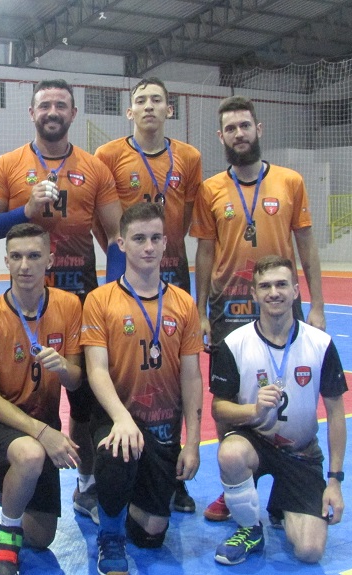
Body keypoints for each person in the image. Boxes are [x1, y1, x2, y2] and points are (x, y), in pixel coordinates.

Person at [0, 79, 122, 525]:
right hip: (25, 301)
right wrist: (25, 211)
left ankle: (86, 484)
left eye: (61, 105)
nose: (52, 111)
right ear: (31, 112)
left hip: (81, 298)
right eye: (44, 105)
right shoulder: (9, 164)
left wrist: (115, 294)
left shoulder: (94, 168)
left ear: (73, 113)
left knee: (86, 399)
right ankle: (5, 473)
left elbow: (116, 236)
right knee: (24, 388)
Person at [191, 95, 326, 521]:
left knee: (291, 390)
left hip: (281, 304)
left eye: (245, 126)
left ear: (258, 129)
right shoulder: (210, 189)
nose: (239, 134)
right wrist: (199, 312)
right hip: (227, 309)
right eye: (231, 128)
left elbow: (306, 246)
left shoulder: (290, 181)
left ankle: (289, 477)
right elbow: (205, 253)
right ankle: (235, 486)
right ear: (221, 136)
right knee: (229, 399)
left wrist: (317, 306)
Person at [94, 77, 203, 514]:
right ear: (130, 111)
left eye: (157, 100)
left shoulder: (189, 157)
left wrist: (160, 246)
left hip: (172, 268)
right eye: (141, 100)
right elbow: (104, 222)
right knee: (125, 364)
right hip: (127, 269)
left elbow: (186, 216)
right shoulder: (108, 155)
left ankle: (173, 474)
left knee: (173, 372)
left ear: (169, 109)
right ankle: (115, 460)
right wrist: (124, 253)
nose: (149, 106)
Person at [0, 223, 83, 575]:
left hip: (41, 417)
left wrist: (64, 367)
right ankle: (6, 537)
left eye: (34, 256)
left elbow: (76, 380)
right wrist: (42, 433)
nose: (25, 265)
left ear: (50, 260)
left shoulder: (69, 306)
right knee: (30, 454)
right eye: (17, 256)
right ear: (6, 261)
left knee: (40, 537)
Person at [81, 203, 203, 574]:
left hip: (162, 428)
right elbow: (96, 370)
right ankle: (110, 535)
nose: (148, 247)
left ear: (166, 242)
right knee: (117, 451)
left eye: (154, 238)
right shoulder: (101, 300)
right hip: (118, 417)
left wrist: (193, 442)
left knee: (152, 533)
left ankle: (116, 498)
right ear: (121, 244)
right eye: (138, 239)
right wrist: (121, 418)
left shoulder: (183, 303)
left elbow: (192, 377)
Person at [210, 255, 346, 565]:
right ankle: (250, 529)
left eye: (282, 284)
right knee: (230, 454)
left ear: (296, 291)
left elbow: (336, 414)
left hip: (300, 451)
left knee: (309, 551)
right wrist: (253, 410)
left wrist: (335, 481)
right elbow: (219, 409)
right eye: (265, 286)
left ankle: (281, 504)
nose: (274, 292)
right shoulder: (234, 344)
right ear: (254, 294)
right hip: (255, 442)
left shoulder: (320, 344)